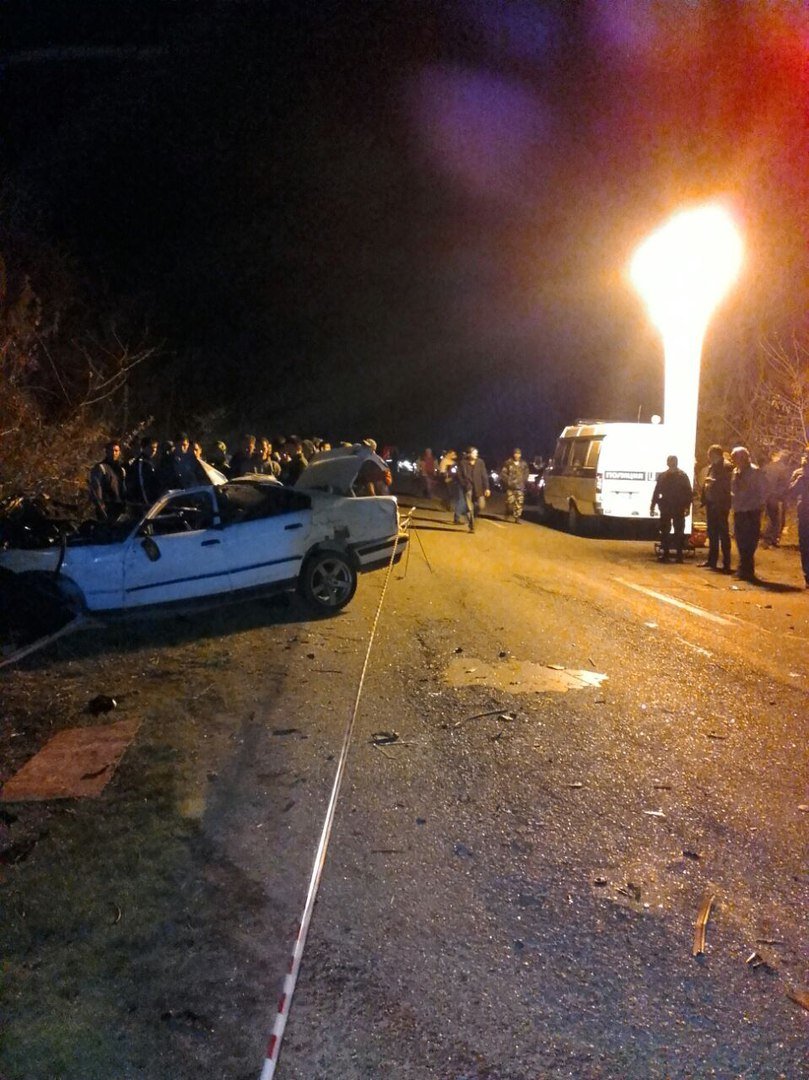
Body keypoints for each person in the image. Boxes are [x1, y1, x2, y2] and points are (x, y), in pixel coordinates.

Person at [730, 446, 766, 582]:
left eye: (735, 458)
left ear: (743, 458)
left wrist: (759, 506)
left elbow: (762, 491)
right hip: (739, 510)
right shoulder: (736, 472)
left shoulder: (755, 472)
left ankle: (747, 570)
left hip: (751, 510)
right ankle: (743, 569)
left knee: (750, 541)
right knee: (740, 540)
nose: (733, 461)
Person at [650, 455, 693, 562]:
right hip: (673, 506)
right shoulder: (681, 475)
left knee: (672, 530)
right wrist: (687, 507)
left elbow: (688, 493)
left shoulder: (667, 476)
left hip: (671, 506)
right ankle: (675, 555)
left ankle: (671, 554)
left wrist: (653, 506)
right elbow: (688, 493)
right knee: (673, 530)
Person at [698, 444, 733, 572]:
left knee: (723, 533)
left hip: (720, 504)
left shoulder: (726, 466)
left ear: (714, 454)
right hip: (711, 503)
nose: (708, 457)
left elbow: (728, 485)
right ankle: (712, 560)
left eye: (709, 455)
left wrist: (714, 482)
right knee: (712, 532)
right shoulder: (713, 466)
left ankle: (726, 563)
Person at [89, 440, 127, 520]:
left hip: (119, 508)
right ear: (106, 452)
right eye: (111, 450)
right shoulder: (101, 468)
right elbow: (96, 488)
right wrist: (101, 506)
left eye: (116, 451)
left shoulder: (121, 470)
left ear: (119, 452)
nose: (114, 453)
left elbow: (124, 490)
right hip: (106, 508)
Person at [761, 450, 792, 547]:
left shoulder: (767, 467)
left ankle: (770, 539)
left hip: (767, 496)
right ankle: (770, 539)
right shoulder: (783, 469)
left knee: (772, 517)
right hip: (777, 497)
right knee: (776, 519)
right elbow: (786, 485)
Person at [788, 449, 809, 588]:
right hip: (804, 513)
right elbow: (790, 492)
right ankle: (808, 575)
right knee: (805, 544)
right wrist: (799, 481)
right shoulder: (798, 474)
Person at [456, 447, 490, 532]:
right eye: (474, 453)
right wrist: (464, 484)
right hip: (468, 488)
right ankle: (472, 526)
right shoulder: (463, 463)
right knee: (469, 507)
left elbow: (484, 475)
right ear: (469, 454)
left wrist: (487, 488)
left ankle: (472, 516)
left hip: (478, 487)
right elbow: (459, 475)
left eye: (476, 453)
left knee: (481, 505)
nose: (476, 454)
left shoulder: (480, 462)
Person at [127, 436, 161, 508]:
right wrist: (147, 503)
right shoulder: (140, 463)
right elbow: (141, 484)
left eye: (155, 447)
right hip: (144, 504)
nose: (153, 450)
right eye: (150, 447)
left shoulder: (153, 461)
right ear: (143, 448)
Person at [500, 448, 530, 522]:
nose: (517, 455)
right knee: (509, 501)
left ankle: (517, 518)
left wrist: (523, 481)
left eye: (518, 454)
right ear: (513, 454)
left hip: (520, 487)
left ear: (520, 455)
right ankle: (507, 513)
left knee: (519, 502)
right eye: (515, 453)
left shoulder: (523, 464)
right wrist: (508, 481)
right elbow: (503, 473)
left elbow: (526, 473)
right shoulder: (508, 463)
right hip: (510, 487)